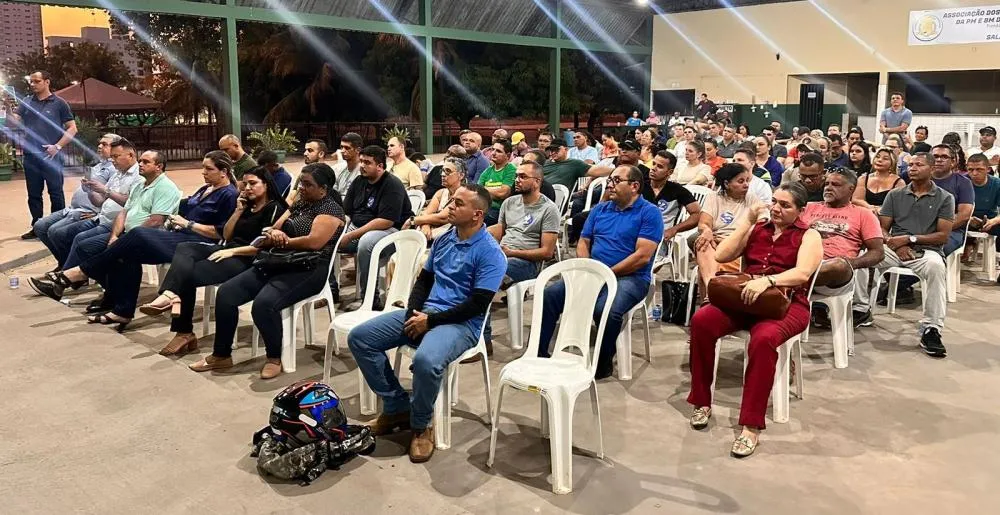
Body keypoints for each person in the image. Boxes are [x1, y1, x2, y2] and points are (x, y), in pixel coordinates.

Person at [347, 184, 505, 463]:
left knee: (425, 361)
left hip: (462, 324)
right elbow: (424, 280)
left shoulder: (490, 253)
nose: (450, 207)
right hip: (427, 313)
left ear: (477, 214)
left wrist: (430, 321)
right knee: (361, 338)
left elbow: (477, 305)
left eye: (458, 203)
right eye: (451, 202)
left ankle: (421, 426)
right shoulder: (445, 239)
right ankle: (396, 407)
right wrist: (413, 312)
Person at [686, 182, 822, 458]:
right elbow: (722, 255)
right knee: (702, 321)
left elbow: (803, 274)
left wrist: (768, 280)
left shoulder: (809, 236)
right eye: (774, 202)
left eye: (785, 205)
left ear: (801, 210)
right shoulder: (758, 229)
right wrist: (747, 221)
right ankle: (701, 401)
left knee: (763, 339)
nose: (776, 209)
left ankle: (751, 425)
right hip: (745, 298)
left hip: (785, 304)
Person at [29, 151, 235, 329]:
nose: (203, 172)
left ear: (223, 172)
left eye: (209, 169)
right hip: (177, 236)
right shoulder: (204, 189)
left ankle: (77, 273)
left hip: (197, 243)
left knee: (135, 235)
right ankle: (122, 311)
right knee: (126, 253)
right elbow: (129, 211)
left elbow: (222, 233)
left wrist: (188, 224)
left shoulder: (228, 194)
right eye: (203, 168)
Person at [190, 163, 346, 379]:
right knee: (226, 294)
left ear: (324, 189)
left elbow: (314, 242)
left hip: (308, 268)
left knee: (264, 305)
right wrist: (273, 234)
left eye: (308, 185)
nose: (301, 187)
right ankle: (221, 354)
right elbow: (275, 227)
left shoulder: (331, 209)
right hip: (279, 260)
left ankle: (274, 357)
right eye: (301, 183)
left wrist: (285, 241)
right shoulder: (300, 203)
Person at [139, 167, 288, 355]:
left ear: (266, 185)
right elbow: (226, 234)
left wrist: (232, 252)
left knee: (186, 275)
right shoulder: (247, 206)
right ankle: (171, 296)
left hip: (247, 258)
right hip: (227, 249)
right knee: (185, 248)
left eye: (253, 183)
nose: (247, 188)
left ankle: (183, 330)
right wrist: (238, 211)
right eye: (246, 183)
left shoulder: (274, 208)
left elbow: (263, 246)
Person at [538, 165, 663, 379]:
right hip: (594, 273)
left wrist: (605, 273)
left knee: (605, 309)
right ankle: (539, 353)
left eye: (615, 181)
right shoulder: (601, 209)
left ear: (634, 186)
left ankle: (603, 362)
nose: (610, 185)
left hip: (630, 277)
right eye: (609, 181)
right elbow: (584, 241)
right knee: (551, 295)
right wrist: (587, 268)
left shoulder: (649, 213)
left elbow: (642, 256)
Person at [875, 153, 953, 357]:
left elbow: (943, 236)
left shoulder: (945, 198)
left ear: (931, 169)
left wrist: (909, 240)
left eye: (919, 164)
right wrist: (896, 244)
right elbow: (882, 229)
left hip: (926, 250)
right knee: (866, 256)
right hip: (894, 248)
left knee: (936, 267)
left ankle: (932, 328)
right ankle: (860, 308)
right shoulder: (895, 195)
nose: (912, 168)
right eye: (910, 165)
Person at [804, 169, 885, 327]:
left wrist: (851, 263)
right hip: (805, 263)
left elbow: (878, 252)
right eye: (826, 183)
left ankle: (790, 284)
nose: (828, 187)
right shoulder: (808, 208)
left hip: (836, 275)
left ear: (851, 189)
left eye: (835, 184)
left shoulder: (864, 214)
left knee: (838, 264)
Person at [33, 133, 121, 269]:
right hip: (73, 209)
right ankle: (66, 264)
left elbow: (111, 198)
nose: (99, 146)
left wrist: (98, 213)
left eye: (104, 144)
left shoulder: (115, 169)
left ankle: (70, 268)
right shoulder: (98, 165)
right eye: (100, 143)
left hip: (88, 212)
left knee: (56, 232)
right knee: (40, 226)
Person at [8, 71, 78, 237]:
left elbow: (72, 128)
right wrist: (9, 108)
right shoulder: (26, 102)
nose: (33, 84)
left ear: (47, 82)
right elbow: (14, 123)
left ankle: (57, 228)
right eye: (31, 82)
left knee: (55, 192)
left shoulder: (59, 103)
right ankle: (37, 227)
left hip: (52, 156)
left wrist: (58, 146)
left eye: (36, 81)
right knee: (33, 194)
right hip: (31, 155)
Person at [341, 145, 411, 310]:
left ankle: (370, 299)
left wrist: (350, 236)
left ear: (380, 166)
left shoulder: (392, 184)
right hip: (359, 227)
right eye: (362, 161)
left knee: (366, 243)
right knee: (328, 235)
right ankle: (330, 288)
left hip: (393, 232)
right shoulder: (359, 181)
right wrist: (341, 229)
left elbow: (385, 221)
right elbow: (347, 212)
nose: (362, 166)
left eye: (367, 162)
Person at [692, 163, 768, 297]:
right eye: (740, 181)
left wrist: (729, 240)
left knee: (707, 247)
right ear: (727, 184)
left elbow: (763, 220)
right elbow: (704, 223)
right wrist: (707, 231)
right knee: (703, 242)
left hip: (739, 243)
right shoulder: (713, 198)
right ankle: (711, 287)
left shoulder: (752, 199)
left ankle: (711, 293)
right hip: (715, 242)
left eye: (747, 181)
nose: (746, 185)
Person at [488, 160, 559, 284]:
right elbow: (499, 231)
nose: (517, 180)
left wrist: (512, 252)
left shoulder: (549, 209)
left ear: (537, 181)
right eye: (516, 176)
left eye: (523, 177)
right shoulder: (509, 202)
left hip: (526, 263)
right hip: (502, 255)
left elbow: (547, 252)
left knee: (489, 270)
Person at [648, 151, 702, 243]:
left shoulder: (677, 190)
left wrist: (675, 229)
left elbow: (697, 214)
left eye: (659, 166)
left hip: (660, 238)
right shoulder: (638, 186)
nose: (653, 168)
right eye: (653, 164)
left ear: (670, 172)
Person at [408, 157, 466, 242]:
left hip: (452, 236)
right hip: (434, 232)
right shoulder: (441, 192)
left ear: (461, 175)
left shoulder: (463, 194)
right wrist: (425, 225)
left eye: (448, 171)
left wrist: (413, 220)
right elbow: (426, 213)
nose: (442, 174)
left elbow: (441, 218)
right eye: (442, 171)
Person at [964, 154, 1000, 264]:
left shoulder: (997, 184)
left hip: (990, 219)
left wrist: (994, 221)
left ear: (988, 169)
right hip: (965, 218)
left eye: (979, 169)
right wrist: (968, 218)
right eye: (971, 169)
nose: (974, 173)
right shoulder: (962, 182)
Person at [852, 146, 905, 216]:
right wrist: (870, 207)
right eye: (877, 157)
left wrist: (881, 210)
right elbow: (856, 199)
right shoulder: (863, 179)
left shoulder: (899, 182)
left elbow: (898, 206)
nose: (879, 160)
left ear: (892, 163)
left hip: (887, 218)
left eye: (885, 159)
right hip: (864, 214)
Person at [478, 139, 517, 226]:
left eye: (498, 151)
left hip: (500, 211)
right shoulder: (487, 171)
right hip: (484, 208)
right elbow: (477, 192)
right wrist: (495, 191)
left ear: (508, 155)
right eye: (493, 149)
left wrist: (484, 189)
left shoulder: (511, 170)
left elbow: (503, 193)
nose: (493, 153)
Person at [331, 133, 363, 198]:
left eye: (347, 148)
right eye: (341, 147)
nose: (342, 151)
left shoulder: (363, 171)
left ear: (358, 150)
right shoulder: (336, 168)